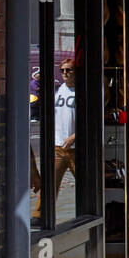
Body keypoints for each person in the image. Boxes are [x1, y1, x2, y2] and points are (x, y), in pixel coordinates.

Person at [53, 59, 77, 205]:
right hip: (59, 146)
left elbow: (92, 116)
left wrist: (75, 136)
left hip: (76, 148)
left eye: (68, 70)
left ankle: (95, 210)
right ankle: (40, 214)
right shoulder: (60, 89)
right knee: (50, 182)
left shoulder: (83, 90)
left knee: (87, 184)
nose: (65, 73)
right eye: (62, 70)